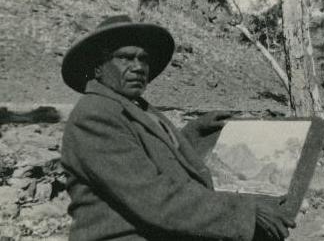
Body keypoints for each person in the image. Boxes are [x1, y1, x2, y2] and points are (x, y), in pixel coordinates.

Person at [61, 15, 295, 241]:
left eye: (143, 59)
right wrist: (245, 213)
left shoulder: (134, 107)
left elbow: (145, 155)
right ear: (98, 68)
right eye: (125, 58)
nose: (138, 67)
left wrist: (193, 135)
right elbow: (152, 198)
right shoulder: (95, 115)